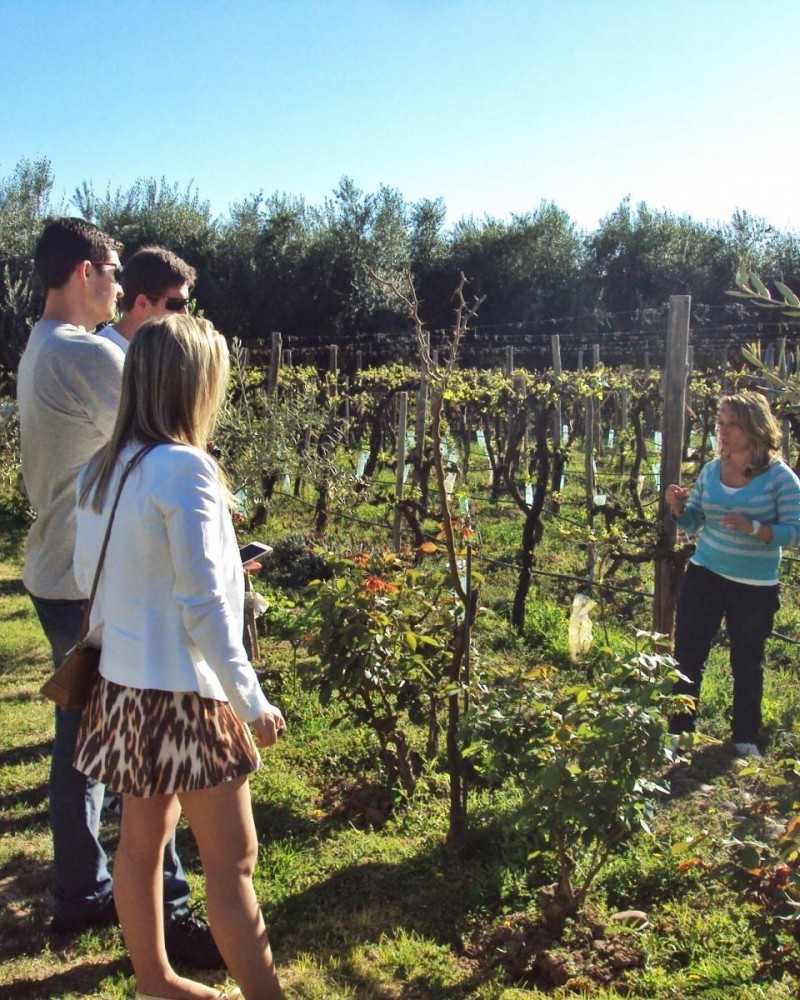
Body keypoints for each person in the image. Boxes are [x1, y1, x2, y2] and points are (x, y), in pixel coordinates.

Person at [17, 217, 221, 967]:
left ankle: (81, 893)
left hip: (63, 565)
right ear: (84, 274)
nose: (117, 281)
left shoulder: (46, 347)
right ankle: (158, 909)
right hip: (91, 575)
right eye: (110, 270)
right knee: (143, 740)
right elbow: (168, 425)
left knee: (86, 743)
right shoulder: (86, 353)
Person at [73, 314, 287, 1000]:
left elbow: (91, 581)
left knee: (141, 845)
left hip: (126, 689)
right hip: (187, 698)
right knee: (233, 864)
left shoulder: (102, 471)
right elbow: (202, 607)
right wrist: (251, 699)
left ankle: (157, 980)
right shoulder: (185, 468)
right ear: (194, 386)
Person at [666, 391, 800, 756]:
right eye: (719, 423)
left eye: (731, 424)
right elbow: (696, 523)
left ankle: (744, 737)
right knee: (688, 652)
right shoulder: (712, 470)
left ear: (754, 427)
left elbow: (796, 532)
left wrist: (755, 528)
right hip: (705, 572)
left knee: (746, 659)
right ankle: (679, 729)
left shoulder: (780, 479)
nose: (722, 431)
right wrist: (679, 509)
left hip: (753, 586)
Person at [98, 245, 196, 355]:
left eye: (186, 303)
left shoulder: (171, 354)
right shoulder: (97, 354)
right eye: (176, 304)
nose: (185, 313)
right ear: (142, 303)